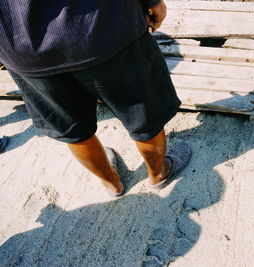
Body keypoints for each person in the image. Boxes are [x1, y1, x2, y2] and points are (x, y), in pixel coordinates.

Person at [0, 0, 191, 196]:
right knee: (142, 112)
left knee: (73, 129)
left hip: (21, 47)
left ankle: (113, 184)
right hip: (102, 28)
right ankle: (159, 174)